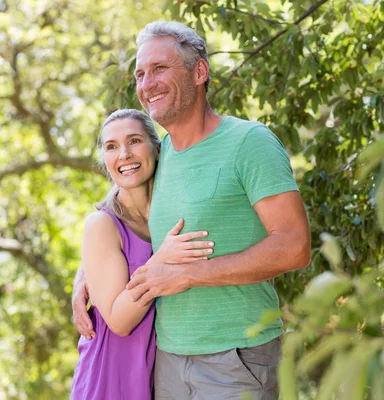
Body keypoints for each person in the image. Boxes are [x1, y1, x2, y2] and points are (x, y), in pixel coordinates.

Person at [73, 21, 312, 399]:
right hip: (167, 361)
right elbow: (122, 220)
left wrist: (190, 275)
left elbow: (295, 246)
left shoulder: (249, 142)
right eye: (140, 74)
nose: (147, 83)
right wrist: (87, 272)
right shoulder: (158, 157)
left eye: (159, 69)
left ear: (199, 72)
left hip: (238, 357)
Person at [70, 109, 214, 399]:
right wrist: (161, 259)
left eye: (134, 141)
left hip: (167, 371)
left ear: (157, 149)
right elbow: (119, 322)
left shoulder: (177, 210)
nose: (124, 154)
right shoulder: (103, 224)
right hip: (112, 374)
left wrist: (84, 273)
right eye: (111, 147)